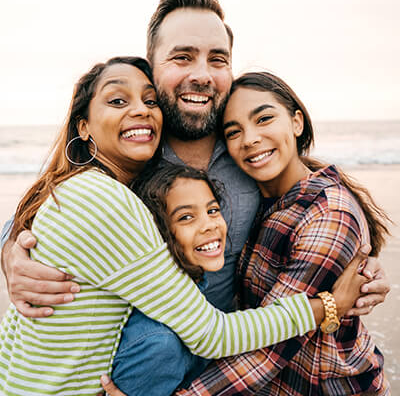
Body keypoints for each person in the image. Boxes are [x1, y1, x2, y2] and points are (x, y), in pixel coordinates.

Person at [0, 56, 363, 396]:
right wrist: (329, 306)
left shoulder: (82, 188)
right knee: (162, 343)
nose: (140, 109)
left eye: (149, 100)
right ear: (84, 127)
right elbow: (212, 334)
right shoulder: (105, 200)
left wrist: (353, 234)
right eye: (117, 101)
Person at [169, 71, 390, 395]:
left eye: (264, 119)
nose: (250, 138)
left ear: (296, 122)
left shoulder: (329, 214)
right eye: (234, 131)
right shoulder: (253, 199)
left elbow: (270, 348)